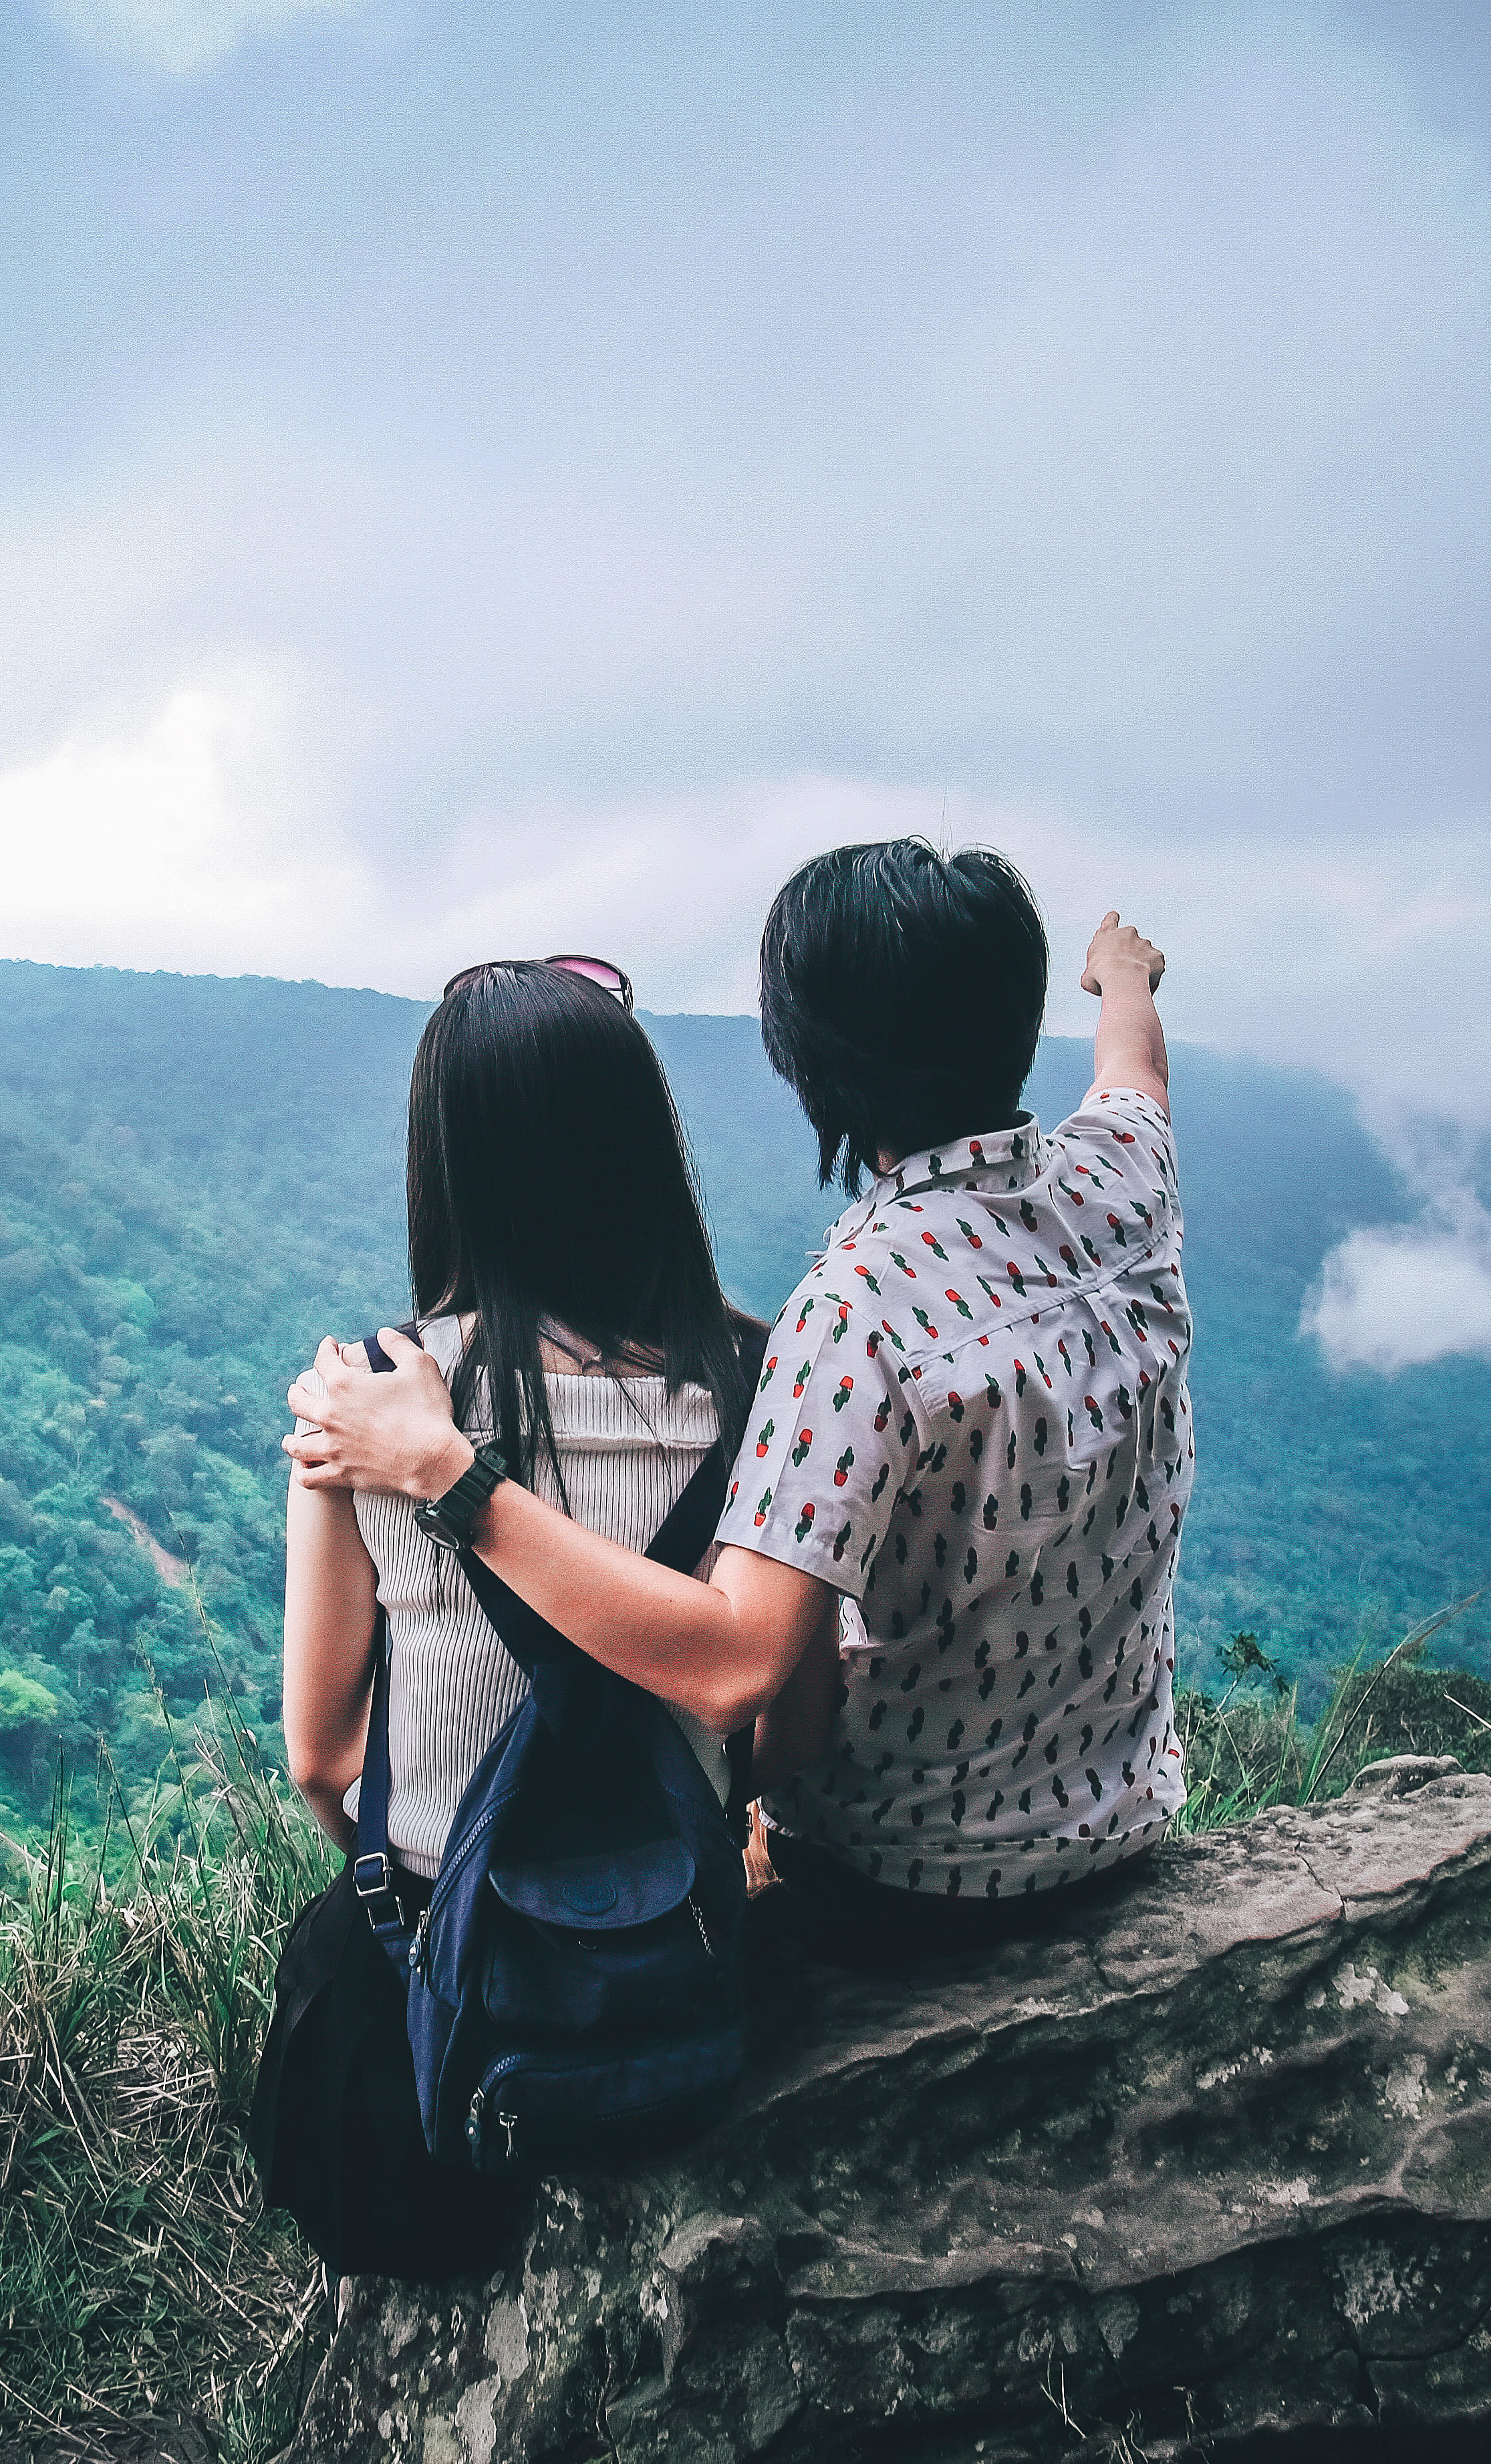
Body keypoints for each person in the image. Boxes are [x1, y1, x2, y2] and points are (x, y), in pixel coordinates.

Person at [287, 841, 1188, 1971]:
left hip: (911, 1877)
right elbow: (1133, 1077)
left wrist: (450, 1475)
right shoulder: (1123, 1186)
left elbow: (737, 1673)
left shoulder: (852, 1317)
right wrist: (1126, 980)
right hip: (1123, 1826)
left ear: (809, 1066)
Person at [245, 952, 763, 2278]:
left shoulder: (371, 1399)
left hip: (457, 1961)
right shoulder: (758, 1382)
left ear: (448, 1164)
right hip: (691, 1947)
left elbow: (320, 1757)